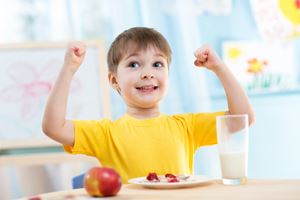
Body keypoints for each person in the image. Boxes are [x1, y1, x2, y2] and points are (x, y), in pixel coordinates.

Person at [42, 27, 255, 183]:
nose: (148, 73)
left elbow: (243, 118)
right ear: (114, 80)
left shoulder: (186, 127)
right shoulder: (106, 133)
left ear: (167, 75)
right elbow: (54, 127)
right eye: (134, 64)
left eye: (157, 64)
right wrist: (68, 69)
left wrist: (219, 68)